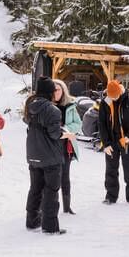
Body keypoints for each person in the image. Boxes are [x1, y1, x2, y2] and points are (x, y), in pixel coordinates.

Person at [26, 76, 76, 234]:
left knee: (35, 189)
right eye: (53, 90)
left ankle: (32, 221)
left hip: (33, 154)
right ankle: (50, 227)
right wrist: (66, 134)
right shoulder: (52, 110)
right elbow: (54, 134)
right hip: (50, 157)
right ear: (49, 92)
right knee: (51, 191)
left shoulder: (30, 106)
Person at [98, 79, 129, 204]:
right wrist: (106, 143)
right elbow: (101, 124)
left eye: (115, 96)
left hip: (127, 141)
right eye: (111, 96)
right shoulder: (105, 103)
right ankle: (111, 196)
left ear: (120, 91)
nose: (113, 99)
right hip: (111, 141)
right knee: (111, 170)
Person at [54, 80, 80, 215]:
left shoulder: (70, 106)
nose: (56, 92)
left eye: (58, 89)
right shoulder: (48, 105)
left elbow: (78, 124)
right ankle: (52, 205)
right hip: (51, 146)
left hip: (66, 146)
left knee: (65, 176)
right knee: (53, 177)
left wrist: (66, 129)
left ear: (63, 90)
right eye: (53, 90)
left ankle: (67, 206)